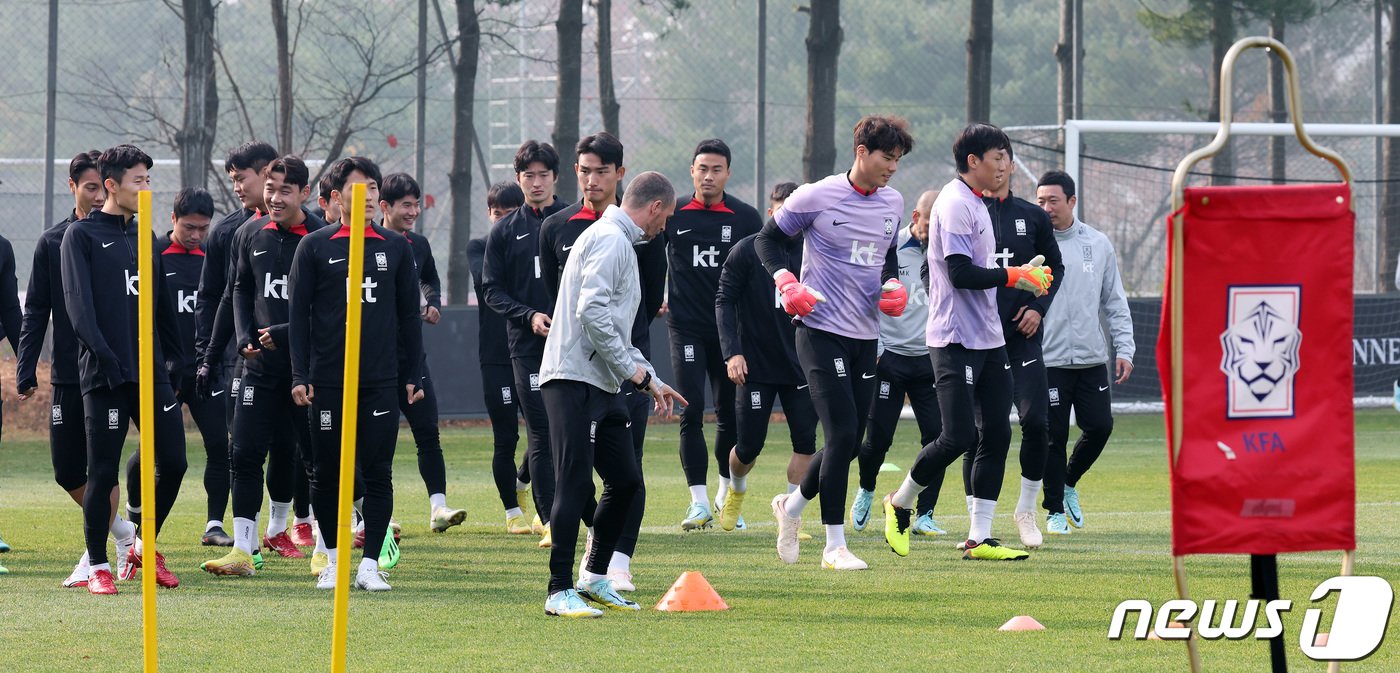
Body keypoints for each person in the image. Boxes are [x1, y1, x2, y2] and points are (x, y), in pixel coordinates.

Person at [881, 124, 1051, 562]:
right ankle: (899, 503)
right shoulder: (955, 204)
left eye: (1007, 158)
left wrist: (1023, 278)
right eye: (998, 157)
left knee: (995, 432)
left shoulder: (977, 204)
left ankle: (980, 537)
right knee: (955, 435)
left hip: (989, 338)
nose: (1005, 166)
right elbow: (959, 273)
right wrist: (1016, 275)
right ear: (972, 161)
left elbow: (980, 270)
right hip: (954, 337)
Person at [755, 115, 912, 571]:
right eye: (887, 157)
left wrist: (892, 285)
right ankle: (834, 546)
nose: (893, 167)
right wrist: (786, 281)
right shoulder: (815, 195)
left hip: (866, 337)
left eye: (898, 160)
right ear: (861, 151)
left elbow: (887, 256)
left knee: (849, 438)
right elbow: (767, 241)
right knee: (842, 434)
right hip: (819, 329)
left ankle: (791, 508)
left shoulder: (893, 202)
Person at [538, 171, 685, 618]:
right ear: (655, 207)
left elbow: (617, 329)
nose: (665, 227)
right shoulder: (611, 239)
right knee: (576, 481)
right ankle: (558, 590)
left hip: (602, 382)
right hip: (571, 377)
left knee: (625, 480)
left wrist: (652, 378)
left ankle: (595, 578)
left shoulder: (619, 240)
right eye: (666, 217)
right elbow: (592, 312)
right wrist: (633, 375)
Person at [289, 156, 423, 592]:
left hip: (380, 380)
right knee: (327, 473)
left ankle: (369, 564)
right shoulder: (315, 246)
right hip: (328, 380)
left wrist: (413, 373)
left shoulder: (395, 247)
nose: (367, 196)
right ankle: (331, 559)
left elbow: (408, 318)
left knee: (378, 471)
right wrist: (300, 374)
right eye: (356, 188)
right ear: (335, 198)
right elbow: (299, 316)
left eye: (372, 188)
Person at [61, 144, 188, 595]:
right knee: (102, 471)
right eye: (139, 180)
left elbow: (161, 305)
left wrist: (177, 356)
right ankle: (97, 565)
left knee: (174, 461)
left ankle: (141, 545)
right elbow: (79, 309)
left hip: (150, 371)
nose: (146, 187)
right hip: (105, 374)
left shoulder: (146, 236)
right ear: (112, 185)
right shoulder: (81, 236)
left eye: (149, 180)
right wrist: (107, 359)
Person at [17, 150, 140, 588]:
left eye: (98, 186)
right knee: (67, 471)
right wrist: (27, 365)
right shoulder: (54, 240)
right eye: (86, 187)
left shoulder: (127, 237)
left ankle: (96, 557)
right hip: (70, 371)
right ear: (73, 187)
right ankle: (125, 534)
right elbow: (37, 309)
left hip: (110, 372)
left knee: (101, 464)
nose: (93, 194)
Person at [201, 155, 326, 576]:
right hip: (258, 371)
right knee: (244, 454)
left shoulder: (322, 238)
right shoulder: (249, 232)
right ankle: (244, 550)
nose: (273, 198)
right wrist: (240, 339)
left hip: (306, 372)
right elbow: (238, 289)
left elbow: (332, 309)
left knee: (317, 460)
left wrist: (288, 331)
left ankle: (329, 545)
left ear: (304, 194)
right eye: (270, 189)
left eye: (284, 191)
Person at [664, 138, 763, 531]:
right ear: (692, 171)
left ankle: (724, 498)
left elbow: (759, 273)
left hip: (730, 335)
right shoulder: (672, 213)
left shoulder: (745, 218)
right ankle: (698, 503)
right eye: (702, 168)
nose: (708, 176)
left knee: (729, 418)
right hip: (685, 327)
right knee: (690, 412)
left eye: (716, 169)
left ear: (728, 173)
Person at [129, 189, 229, 572]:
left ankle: (214, 525)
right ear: (172, 219)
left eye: (203, 228)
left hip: (206, 370)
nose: (196, 235)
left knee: (221, 446)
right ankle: (136, 516)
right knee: (154, 451)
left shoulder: (211, 260)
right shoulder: (152, 254)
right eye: (189, 226)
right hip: (164, 374)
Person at [715, 181, 818, 533]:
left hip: (803, 365)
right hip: (755, 367)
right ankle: (736, 491)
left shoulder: (815, 251)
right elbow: (724, 301)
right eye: (780, 210)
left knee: (806, 442)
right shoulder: (747, 251)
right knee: (748, 446)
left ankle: (790, 514)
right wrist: (733, 353)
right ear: (772, 213)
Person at [1035, 170, 1134, 534]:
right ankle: (1054, 510)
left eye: (1053, 201)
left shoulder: (1098, 243)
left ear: (1072, 202)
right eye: (1040, 201)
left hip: (1093, 359)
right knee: (1053, 437)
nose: (1046, 208)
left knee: (1100, 427)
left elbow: (1114, 301)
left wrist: (1125, 348)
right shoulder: (1033, 245)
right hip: (1049, 360)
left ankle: (1068, 482)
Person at [193, 141, 281, 549]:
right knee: (243, 449)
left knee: (299, 451)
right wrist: (210, 351)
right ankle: (247, 543)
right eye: (232, 180)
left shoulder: (312, 231)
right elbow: (217, 296)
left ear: (267, 174)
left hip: (299, 363)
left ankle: (292, 525)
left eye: (241, 178)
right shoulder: (230, 231)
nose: (237, 188)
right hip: (241, 361)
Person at [482, 140, 568, 544]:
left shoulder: (576, 221)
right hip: (528, 346)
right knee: (540, 428)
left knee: (574, 429)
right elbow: (492, 291)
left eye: (543, 175)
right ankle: (550, 518)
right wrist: (529, 315)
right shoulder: (504, 230)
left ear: (555, 178)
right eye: (528, 175)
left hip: (575, 344)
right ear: (519, 179)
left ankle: (575, 509)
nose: (536, 182)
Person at [849, 189, 946, 537]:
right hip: (890, 359)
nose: (935, 230)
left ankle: (925, 513)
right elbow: (866, 299)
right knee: (877, 438)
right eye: (930, 221)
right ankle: (867, 489)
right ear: (916, 217)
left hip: (931, 360)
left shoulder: (946, 252)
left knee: (940, 436)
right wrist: (878, 349)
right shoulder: (889, 249)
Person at [980, 159, 1064, 550]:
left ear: (1011, 166)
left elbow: (1055, 268)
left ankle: (1026, 511)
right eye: (989, 159)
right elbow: (942, 271)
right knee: (981, 432)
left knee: (1037, 422)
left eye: (1003, 160)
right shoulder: (965, 210)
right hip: (976, 339)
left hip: (1021, 337)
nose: (997, 168)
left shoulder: (1031, 217)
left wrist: (1037, 308)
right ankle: (977, 525)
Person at [379, 173, 467, 534]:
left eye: (416, 204)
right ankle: (373, 514)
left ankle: (438, 508)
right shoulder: (369, 244)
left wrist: (432, 301)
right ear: (385, 207)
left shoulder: (418, 244)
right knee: (376, 441)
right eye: (406, 205)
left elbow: (429, 277)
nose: (413, 211)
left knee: (427, 432)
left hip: (412, 357)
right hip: (375, 360)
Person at [468, 181, 535, 534]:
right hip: (496, 356)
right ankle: (512, 512)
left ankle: (524, 481)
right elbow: (487, 282)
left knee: (545, 431)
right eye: (498, 214)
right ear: (489, 214)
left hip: (529, 351)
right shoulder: (481, 246)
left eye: (511, 214)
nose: (504, 221)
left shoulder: (534, 243)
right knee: (506, 436)